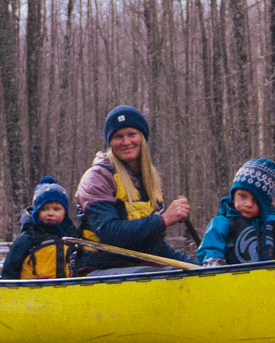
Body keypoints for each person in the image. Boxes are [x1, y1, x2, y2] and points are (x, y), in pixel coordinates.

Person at [73, 104, 190, 272]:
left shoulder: (152, 181)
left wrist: (196, 266)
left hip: (139, 265)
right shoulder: (96, 178)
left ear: (142, 138)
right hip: (98, 266)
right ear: (111, 142)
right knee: (156, 277)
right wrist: (163, 220)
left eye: (132, 134)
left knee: (185, 273)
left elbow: (154, 246)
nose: (126, 142)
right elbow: (109, 233)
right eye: (118, 136)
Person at [196, 156, 275, 265]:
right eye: (243, 196)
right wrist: (213, 260)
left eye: (256, 200)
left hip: (273, 280)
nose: (249, 204)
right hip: (232, 280)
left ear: (265, 204)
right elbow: (210, 248)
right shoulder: (221, 223)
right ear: (233, 196)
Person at [0, 179, 85, 280]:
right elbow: (11, 264)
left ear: (65, 212)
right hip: (31, 288)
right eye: (44, 209)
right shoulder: (29, 236)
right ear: (37, 212)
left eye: (56, 209)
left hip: (64, 287)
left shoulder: (70, 234)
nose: (50, 213)